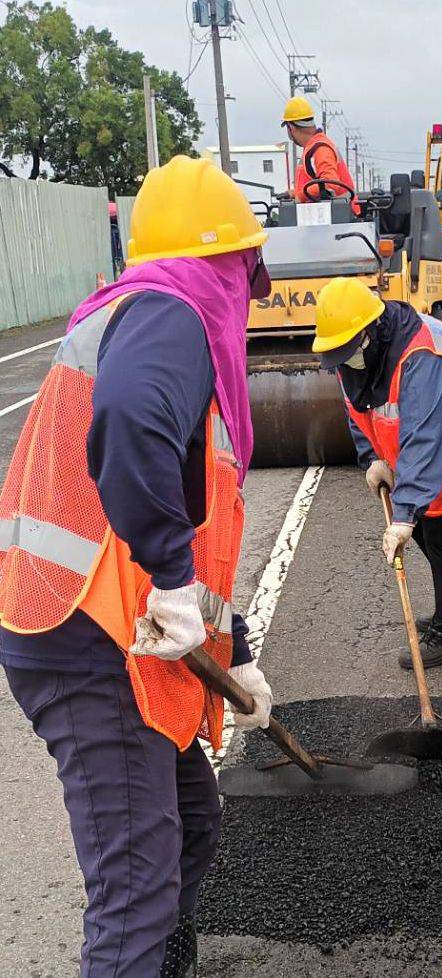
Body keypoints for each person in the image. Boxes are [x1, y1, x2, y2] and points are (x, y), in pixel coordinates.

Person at [0, 156, 275, 978]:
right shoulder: (168, 312)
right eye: (244, 271)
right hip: (86, 638)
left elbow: (202, 528)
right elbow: (128, 424)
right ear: (225, 263)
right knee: (134, 885)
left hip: (119, 630)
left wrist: (242, 652)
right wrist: (165, 577)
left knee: (193, 821)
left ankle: (165, 964)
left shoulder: (142, 315)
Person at [313, 278, 442, 668]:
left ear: (368, 336)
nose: (342, 362)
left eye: (346, 353)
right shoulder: (352, 352)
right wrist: (371, 455)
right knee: (424, 525)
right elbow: (356, 405)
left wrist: (404, 514)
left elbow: (425, 439)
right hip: (433, 438)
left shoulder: (423, 356)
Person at [281, 95, 358, 209]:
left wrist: (300, 196)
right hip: (334, 215)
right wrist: (294, 193)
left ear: (291, 127)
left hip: (342, 218)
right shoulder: (314, 147)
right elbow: (317, 185)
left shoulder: (320, 149)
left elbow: (330, 182)